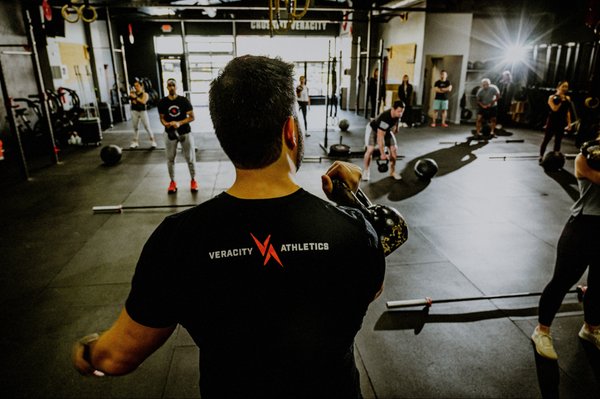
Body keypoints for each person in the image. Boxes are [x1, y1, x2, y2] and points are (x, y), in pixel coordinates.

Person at [72, 55, 386, 398]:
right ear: (290, 131)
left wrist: (88, 352)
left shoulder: (177, 240)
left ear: (225, 136)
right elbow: (371, 285)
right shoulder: (354, 232)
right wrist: (353, 204)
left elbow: (116, 358)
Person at [531, 132, 600, 360]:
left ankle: (590, 328)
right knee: (561, 281)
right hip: (583, 227)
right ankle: (542, 331)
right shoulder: (584, 157)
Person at [157, 78, 198, 194]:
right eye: (169, 85)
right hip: (170, 134)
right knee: (170, 159)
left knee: (190, 158)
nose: (171, 87)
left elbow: (192, 117)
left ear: (176, 87)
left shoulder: (184, 101)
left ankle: (193, 180)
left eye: (173, 85)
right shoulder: (162, 102)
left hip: (185, 132)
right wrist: (167, 124)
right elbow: (162, 118)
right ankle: (172, 182)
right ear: (166, 87)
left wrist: (179, 123)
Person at [362, 100, 405, 182]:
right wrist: (383, 153)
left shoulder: (398, 114)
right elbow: (380, 137)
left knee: (394, 150)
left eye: (402, 112)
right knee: (370, 150)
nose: (400, 114)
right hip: (373, 129)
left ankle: (392, 172)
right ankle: (366, 171)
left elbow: (396, 121)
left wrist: (397, 127)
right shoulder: (385, 118)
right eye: (399, 111)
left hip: (386, 130)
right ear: (393, 109)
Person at [539, 81, 572, 164]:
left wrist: (569, 123)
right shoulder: (551, 97)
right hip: (552, 121)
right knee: (547, 139)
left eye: (566, 87)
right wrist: (560, 100)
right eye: (563, 86)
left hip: (561, 122)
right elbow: (554, 109)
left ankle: (555, 159)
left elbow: (567, 111)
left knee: (558, 141)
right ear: (558, 87)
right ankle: (541, 156)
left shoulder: (568, 98)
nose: (565, 88)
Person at [129, 80, 157, 149]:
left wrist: (135, 97)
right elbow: (134, 102)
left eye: (137, 86)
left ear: (141, 86)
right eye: (135, 86)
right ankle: (135, 142)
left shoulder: (145, 94)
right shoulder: (132, 93)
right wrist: (135, 98)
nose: (136, 87)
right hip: (134, 111)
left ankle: (153, 141)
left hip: (142, 111)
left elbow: (143, 101)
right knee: (135, 127)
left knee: (147, 127)